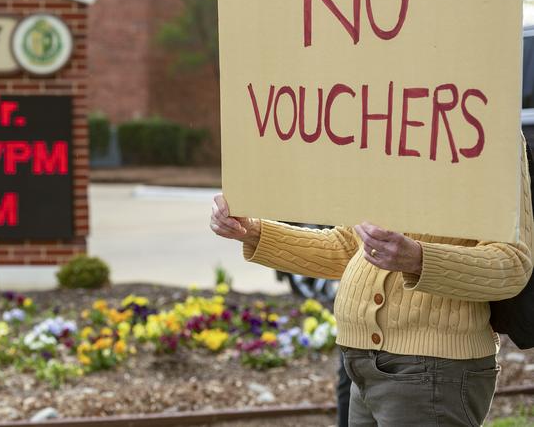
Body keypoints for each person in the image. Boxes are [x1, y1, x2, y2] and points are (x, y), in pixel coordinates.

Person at [210, 136, 533, 426]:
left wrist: (419, 259)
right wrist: (254, 232)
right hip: (361, 362)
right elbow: (349, 247)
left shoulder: (489, 126)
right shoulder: (384, 124)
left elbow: (512, 264)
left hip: (432, 369)